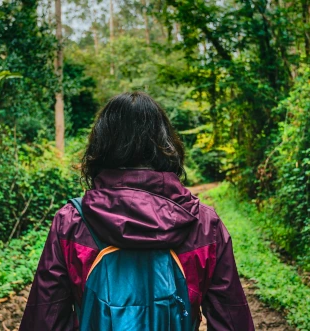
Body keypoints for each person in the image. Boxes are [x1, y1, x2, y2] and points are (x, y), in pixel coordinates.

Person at [19, 91, 254, 331]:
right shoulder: (204, 224)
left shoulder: (71, 222)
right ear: (167, 144)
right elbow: (231, 322)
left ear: (101, 146)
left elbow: (45, 321)